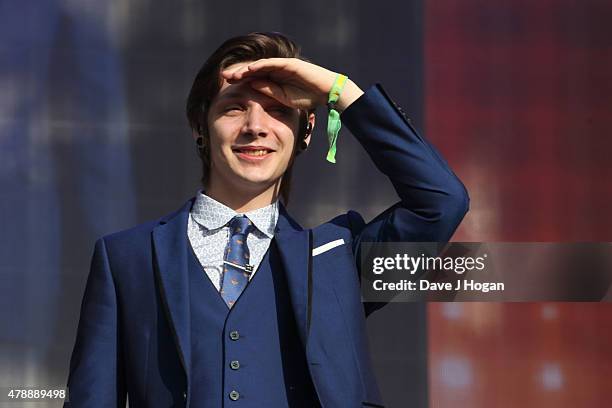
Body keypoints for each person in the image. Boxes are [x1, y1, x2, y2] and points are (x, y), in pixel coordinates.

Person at [64, 32, 469, 407]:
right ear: (199, 127)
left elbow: (441, 202)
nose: (255, 127)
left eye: (278, 110)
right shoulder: (125, 259)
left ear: (305, 133)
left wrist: (338, 91)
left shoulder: (338, 261)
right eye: (235, 108)